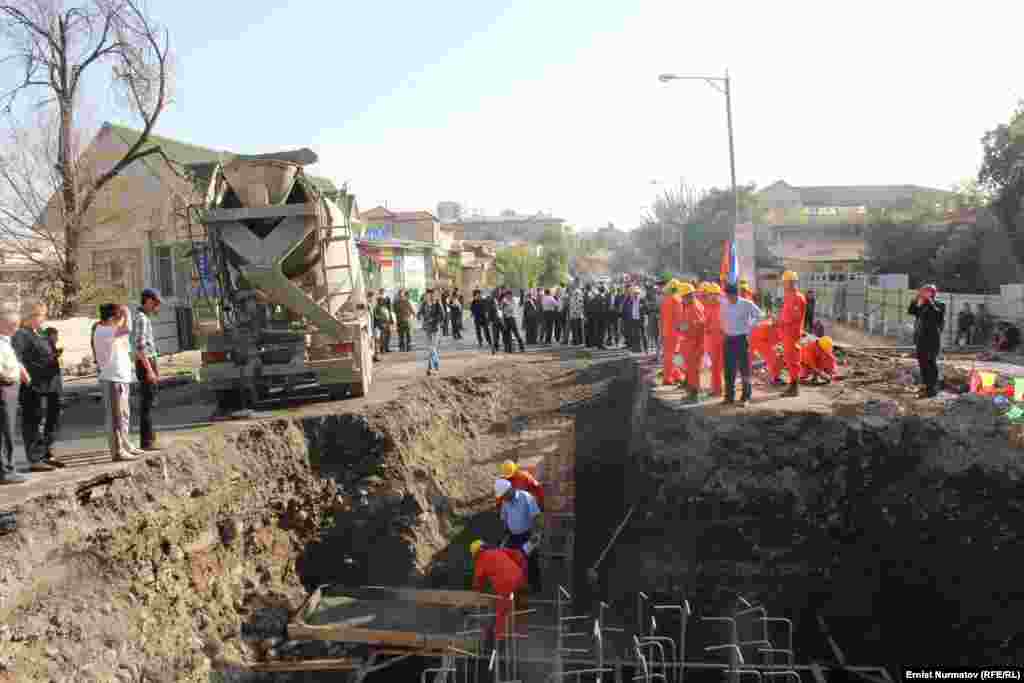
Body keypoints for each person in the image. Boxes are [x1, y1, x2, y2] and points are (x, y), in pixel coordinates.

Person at [12, 301, 62, 469]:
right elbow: (16, 358)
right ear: (32, 316)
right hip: (34, 386)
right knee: (33, 419)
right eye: (42, 315)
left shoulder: (41, 333)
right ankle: (35, 458)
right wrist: (25, 375)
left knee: (52, 419)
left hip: (51, 384)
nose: (44, 318)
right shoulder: (21, 334)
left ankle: (47, 452)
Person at [94, 305, 143, 461]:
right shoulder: (103, 330)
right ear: (111, 319)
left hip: (121, 377)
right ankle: (117, 451)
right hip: (111, 377)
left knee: (123, 415)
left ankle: (126, 444)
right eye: (119, 318)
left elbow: (126, 347)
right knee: (115, 417)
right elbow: (127, 328)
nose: (121, 321)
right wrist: (127, 311)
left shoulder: (113, 331)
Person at [470, 539, 528, 641]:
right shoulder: (498, 550)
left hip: (506, 585)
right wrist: (520, 570)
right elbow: (519, 555)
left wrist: (477, 592)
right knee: (517, 605)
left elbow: (478, 580)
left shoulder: (481, 559)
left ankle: (498, 640)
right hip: (520, 578)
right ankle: (519, 629)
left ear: (476, 554)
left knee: (501, 611)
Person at [720, 282, 765, 405]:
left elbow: (760, 314)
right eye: (727, 296)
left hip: (741, 339)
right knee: (729, 369)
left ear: (736, 294)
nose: (729, 298)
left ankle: (746, 396)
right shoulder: (724, 304)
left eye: (731, 296)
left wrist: (751, 325)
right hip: (728, 339)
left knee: (744, 368)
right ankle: (729, 397)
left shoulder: (746, 304)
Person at [1, 308, 32, 484]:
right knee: (5, 432)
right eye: (12, 324)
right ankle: (5, 471)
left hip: (10, 389)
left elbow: (10, 360)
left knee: (8, 431)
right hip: (4, 390)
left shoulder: (6, 341)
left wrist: (20, 370)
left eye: (17, 324)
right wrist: (10, 379)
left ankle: (7, 468)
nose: (16, 328)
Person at [495, 478, 542, 592]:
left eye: (504, 495)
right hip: (513, 536)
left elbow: (536, 516)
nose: (504, 498)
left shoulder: (526, 497)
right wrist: (504, 536)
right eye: (502, 496)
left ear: (509, 490)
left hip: (528, 535)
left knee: (531, 562)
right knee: (514, 563)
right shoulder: (505, 502)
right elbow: (504, 519)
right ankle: (518, 588)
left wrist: (535, 534)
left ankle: (535, 587)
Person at [132, 288, 163, 451]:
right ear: (149, 301)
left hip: (148, 362)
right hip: (146, 363)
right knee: (148, 403)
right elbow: (139, 347)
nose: (157, 308)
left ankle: (150, 440)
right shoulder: (142, 319)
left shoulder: (143, 318)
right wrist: (150, 370)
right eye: (156, 304)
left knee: (150, 402)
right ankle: (148, 442)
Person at [907, 284, 946, 398]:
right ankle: (926, 386)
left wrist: (929, 301)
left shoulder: (939, 305)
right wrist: (917, 299)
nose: (924, 294)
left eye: (926, 292)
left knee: (931, 362)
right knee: (922, 362)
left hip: (933, 339)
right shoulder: (921, 304)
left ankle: (932, 388)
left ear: (932, 293)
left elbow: (937, 314)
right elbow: (911, 311)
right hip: (921, 338)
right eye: (923, 291)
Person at [675, 283, 706, 401]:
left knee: (693, 370)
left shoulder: (694, 307)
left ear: (688, 296)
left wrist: (682, 327)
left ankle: (694, 395)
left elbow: (697, 325)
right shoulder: (690, 306)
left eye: (683, 297)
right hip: (690, 343)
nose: (682, 299)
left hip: (695, 343)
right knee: (689, 368)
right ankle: (691, 392)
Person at [779, 271, 807, 398]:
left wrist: (781, 321)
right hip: (786, 332)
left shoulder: (797, 297)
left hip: (792, 333)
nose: (784, 284)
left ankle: (794, 386)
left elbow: (795, 317)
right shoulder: (789, 296)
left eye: (785, 282)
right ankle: (792, 385)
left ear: (790, 282)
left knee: (793, 359)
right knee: (789, 359)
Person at [701, 283, 725, 397]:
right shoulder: (708, 307)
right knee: (715, 366)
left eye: (714, 294)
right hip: (712, 340)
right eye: (710, 295)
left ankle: (718, 389)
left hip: (721, 340)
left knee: (719, 365)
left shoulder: (723, 306)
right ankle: (716, 388)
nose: (711, 297)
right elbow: (705, 324)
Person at [661, 281, 683, 385]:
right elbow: (680, 318)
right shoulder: (677, 300)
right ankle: (670, 377)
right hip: (675, 333)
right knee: (676, 355)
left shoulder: (666, 300)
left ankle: (675, 375)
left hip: (667, 332)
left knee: (670, 355)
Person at [749, 318, 784, 385]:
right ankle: (773, 378)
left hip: (761, 341)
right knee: (774, 359)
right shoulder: (769, 326)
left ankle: (774, 377)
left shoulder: (772, 326)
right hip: (761, 341)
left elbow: (777, 340)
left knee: (776, 358)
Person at [419, 289, 445, 376]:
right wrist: (420, 317)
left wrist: (434, 319)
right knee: (430, 349)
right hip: (427, 329)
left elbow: (442, 316)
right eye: (426, 295)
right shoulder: (424, 304)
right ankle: (430, 368)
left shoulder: (437, 304)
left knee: (432, 348)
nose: (427, 297)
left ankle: (433, 367)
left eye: (429, 295)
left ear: (432, 295)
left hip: (435, 329)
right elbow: (419, 313)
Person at [621, 286, 644, 352]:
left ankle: (640, 348)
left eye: (636, 293)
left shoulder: (641, 300)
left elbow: (645, 309)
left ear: (639, 293)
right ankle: (635, 347)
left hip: (639, 319)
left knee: (639, 334)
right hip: (633, 319)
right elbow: (629, 308)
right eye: (634, 293)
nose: (635, 294)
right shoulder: (632, 300)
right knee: (634, 334)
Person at [487, 290, 504, 354]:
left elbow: (501, 308)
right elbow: (489, 311)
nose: (498, 295)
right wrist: (489, 321)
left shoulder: (500, 300)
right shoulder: (491, 301)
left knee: (502, 333)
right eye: (497, 293)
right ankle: (494, 348)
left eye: (498, 293)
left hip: (500, 319)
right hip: (494, 320)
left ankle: (502, 346)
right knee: (494, 335)